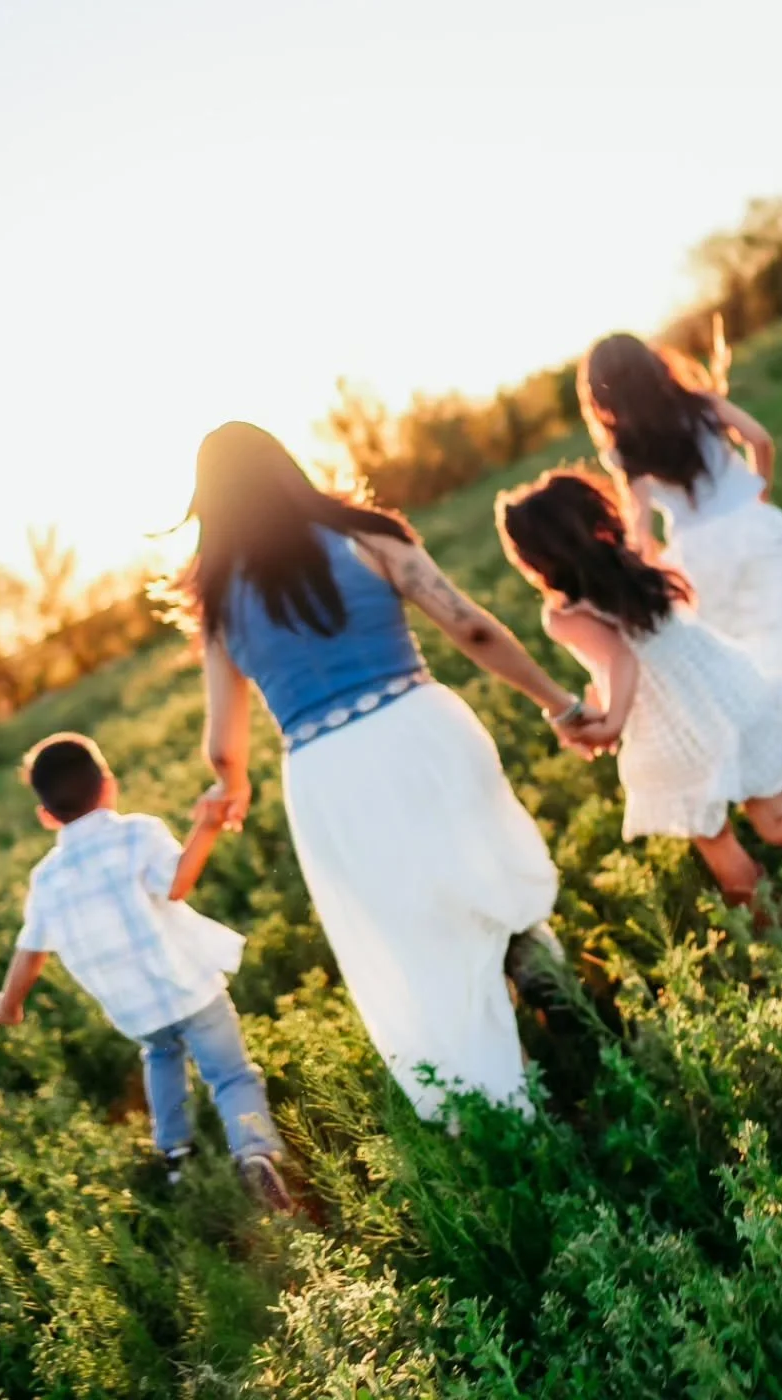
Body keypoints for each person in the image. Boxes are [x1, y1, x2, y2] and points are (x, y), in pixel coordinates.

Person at [172, 422, 590, 1123]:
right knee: (483, 872)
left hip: (328, 771)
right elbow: (471, 627)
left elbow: (223, 747)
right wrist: (559, 704)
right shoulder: (366, 534)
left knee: (416, 929)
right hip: (419, 726)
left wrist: (232, 788)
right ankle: (555, 995)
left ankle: (514, 1105)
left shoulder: (218, 602)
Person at [496, 470, 782, 910]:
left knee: (717, 840)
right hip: (724, 689)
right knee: (775, 819)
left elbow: (621, 658)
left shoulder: (562, 615)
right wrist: (601, 700)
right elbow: (621, 661)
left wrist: (611, 722)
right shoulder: (632, 568)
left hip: (674, 726)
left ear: (538, 560)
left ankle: (779, 932)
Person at [0, 733, 293, 1211]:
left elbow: (30, 951)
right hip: (191, 988)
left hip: (135, 1010)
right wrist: (207, 828)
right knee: (231, 1076)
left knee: (161, 1057)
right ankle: (254, 1153)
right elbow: (176, 884)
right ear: (108, 786)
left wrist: (9, 1004)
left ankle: (176, 1156)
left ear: (47, 816)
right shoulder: (138, 833)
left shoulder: (46, 878)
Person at [578, 331, 782, 727]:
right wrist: (759, 490)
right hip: (751, 526)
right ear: (653, 363)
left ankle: (777, 729)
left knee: (735, 644)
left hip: (697, 552)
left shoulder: (626, 448)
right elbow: (760, 439)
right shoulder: (701, 405)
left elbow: (639, 524)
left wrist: (645, 568)